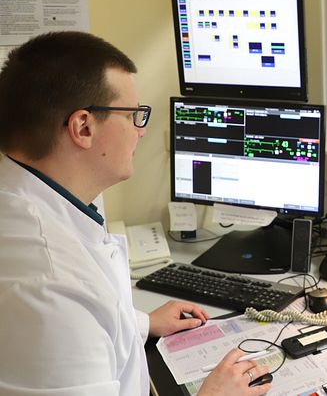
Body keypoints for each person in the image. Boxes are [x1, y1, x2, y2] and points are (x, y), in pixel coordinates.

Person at [0, 31, 271, 395]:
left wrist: (138, 323)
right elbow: (70, 313)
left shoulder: (33, 195)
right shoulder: (54, 286)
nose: (141, 133)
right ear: (83, 127)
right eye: (133, 116)